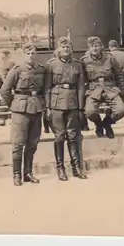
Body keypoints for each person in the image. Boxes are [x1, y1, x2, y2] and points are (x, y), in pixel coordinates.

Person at [0, 42, 47, 186]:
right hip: (20, 109)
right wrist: (14, 105)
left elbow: (45, 89)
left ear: (36, 54)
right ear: (23, 54)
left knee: (33, 143)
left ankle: (28, 172)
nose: (31, 56)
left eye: (33, 53)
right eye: (28, 53)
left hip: (37, 107)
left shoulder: (41, 70)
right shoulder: (16, 70)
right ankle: (16, 174)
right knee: (18, 143)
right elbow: (5, 91)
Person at [45, 37, 86, 181]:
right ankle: (60, 168)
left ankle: (76, 168)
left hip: (73, 102)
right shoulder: (51, 65)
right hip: (56, 103)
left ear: (71, 49)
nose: (66, 49)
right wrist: (48, 107)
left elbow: (81, 86)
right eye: (63, 47)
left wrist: (81, 107)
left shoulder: (77, 65)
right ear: (59, 49)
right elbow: (47, 88)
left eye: (68, 47)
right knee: (59, 136)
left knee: (73, 135)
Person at [81, 36, 124, 139]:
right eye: (92, 46)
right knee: (89, 112)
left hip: (110, 88)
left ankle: (107, 123)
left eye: (96, 46)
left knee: (120, 111)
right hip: (94, 89)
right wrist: (85, 92)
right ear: (89, 48)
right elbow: (82, 79)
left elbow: (119, 74)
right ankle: (98, 124)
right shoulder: (84, 61)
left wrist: (121, 90)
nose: (95, 48)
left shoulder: (109, 58)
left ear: (101, 47)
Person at [0, 48, 16, 126]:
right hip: (4, 85)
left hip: (9, 85)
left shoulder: (10, 62)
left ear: (6, 55)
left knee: (9, 102)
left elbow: (12, 75)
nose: (0, 55)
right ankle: (3, 118)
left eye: (1, 54)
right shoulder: (1, 63)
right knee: (4, 101)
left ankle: (10, 118)